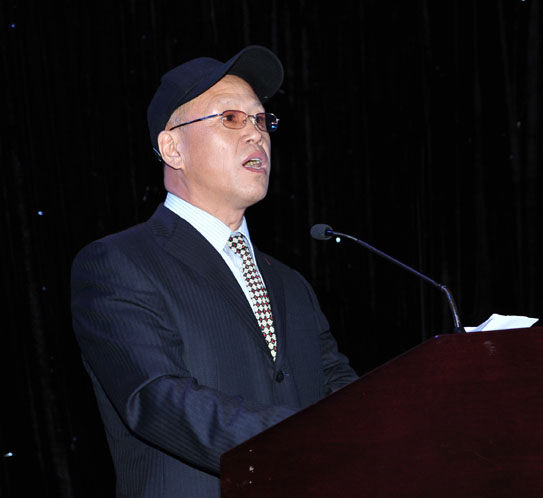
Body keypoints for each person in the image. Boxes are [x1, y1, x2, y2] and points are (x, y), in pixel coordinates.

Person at [71, 45, 357, 498]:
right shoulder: (118, 263)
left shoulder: (290, 283)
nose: (256, 134)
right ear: (173, 148)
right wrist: (305, 441)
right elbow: (157, 400)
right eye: (231, 118)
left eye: (261, 120)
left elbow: (342, 392)